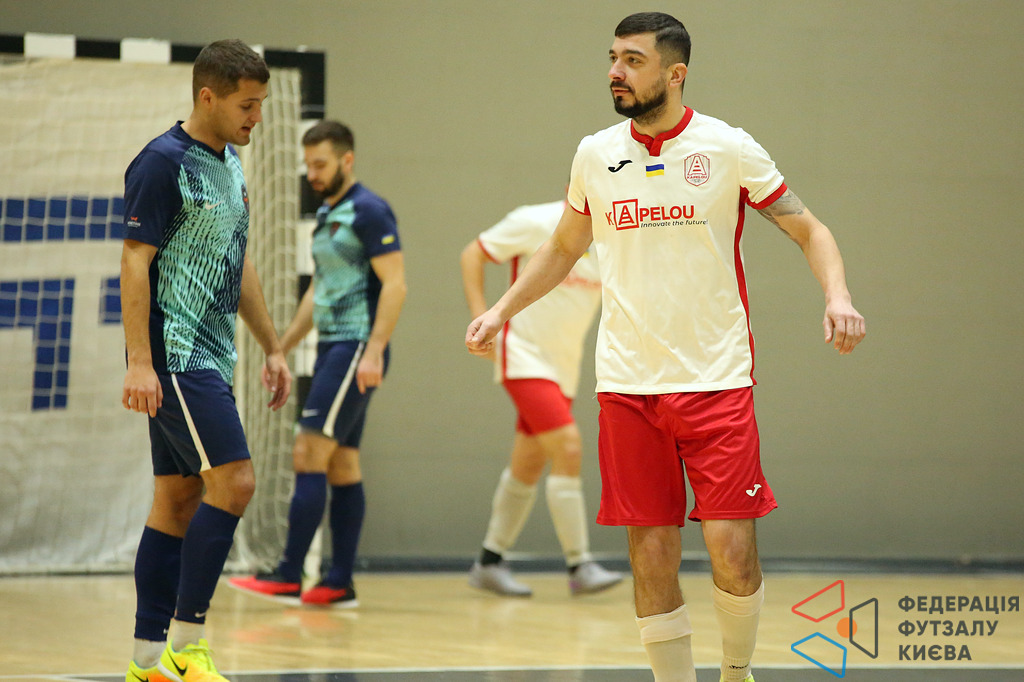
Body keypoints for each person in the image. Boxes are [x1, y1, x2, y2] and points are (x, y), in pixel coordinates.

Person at [466, 12, 866, 682]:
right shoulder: (595, 154)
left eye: (633, 60)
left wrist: (838, 295)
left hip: (717, 381)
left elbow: (810, 229)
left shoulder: (728, 147)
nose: (615, 73)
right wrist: (501, 311)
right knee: (651, 556)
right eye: (612, 58)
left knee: (731, 550)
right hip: (628, 388)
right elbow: (563, 247)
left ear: (674, 74)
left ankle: (735, 673)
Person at [120, 40, 291, 682]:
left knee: (178, 496)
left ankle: (147, 663)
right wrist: (141, 362)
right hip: (176, 356)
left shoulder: (229, 165)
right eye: (247, 106)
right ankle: (187, 648)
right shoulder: (161, 162)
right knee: (236, 483)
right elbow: (134, 260)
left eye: (261, 104)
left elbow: (238, 262)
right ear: (207, 96)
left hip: (213, 357)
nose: (257, 118)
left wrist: (272, 346)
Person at [229, 120, 406, 608]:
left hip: (355, 347)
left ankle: (289, 575)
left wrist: (374, 350)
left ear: (347, 160)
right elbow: (319, 291)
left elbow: (396, 285)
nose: (313, 174)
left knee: (307, 451)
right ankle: (339, 583)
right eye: (308, 166)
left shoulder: (369, 211)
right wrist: (280, 347)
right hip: (333, 347)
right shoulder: (329, 212)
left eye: (321, 164)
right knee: (342, 462)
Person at [460, 197, 622, 597]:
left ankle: (489, 562)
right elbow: (472, 254)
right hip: (522, 354)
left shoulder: (613, 236)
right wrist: (482, 319)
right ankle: (579, 564)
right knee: (568, 446)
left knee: (529, 462)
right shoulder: (535, 221)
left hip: (565, 366)